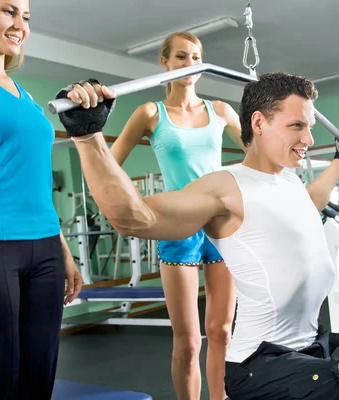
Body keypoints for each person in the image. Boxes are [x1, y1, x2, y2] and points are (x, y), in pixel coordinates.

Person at [54, 71, 339, 400]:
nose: (308, 138)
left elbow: (309, 203)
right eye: (297, 126)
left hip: (310, 343)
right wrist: (89, 137)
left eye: (310, 126)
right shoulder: (224, 187)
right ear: (259, 123)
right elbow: (135, 219)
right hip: (260, 364)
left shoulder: (287, 181)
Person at [108, 31, 244, 400]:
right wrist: (139, 205)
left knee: (222, 331)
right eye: (181, 56)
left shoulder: (219, 111)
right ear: (164, 62)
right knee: (187, 342)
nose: (189, 64)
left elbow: (261, 152)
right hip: (179, 227)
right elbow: (110, 165)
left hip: (221, 224)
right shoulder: (151, 113)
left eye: (196, 56)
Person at [0, 0, 82, 399]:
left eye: (26, 17)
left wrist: (62, 248)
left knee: (39, 375)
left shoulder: (24, 93)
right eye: (9, 11)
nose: (20, 25)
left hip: (46, 245)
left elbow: (32, 180)